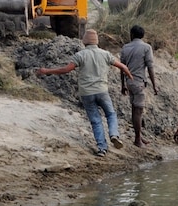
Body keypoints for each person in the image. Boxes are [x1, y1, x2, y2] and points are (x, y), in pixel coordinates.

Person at [36, 29, 133, 157]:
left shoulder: (80, 55)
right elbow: (123, 67)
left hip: (86, 93)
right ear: (96, 41)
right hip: (102, 91)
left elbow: (66, 70)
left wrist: (47, 71)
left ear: (84, 41)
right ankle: (114, 134)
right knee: (110, 114)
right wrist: (130, 78)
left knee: (95, 120)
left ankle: (102, 149)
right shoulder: (105, 54)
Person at [120, 25, 158, 147]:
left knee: (134, 109)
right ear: (142, 35)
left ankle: (139, 137)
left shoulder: (125, 47)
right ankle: (137, 140)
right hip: (139, 83)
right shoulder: (146, 47)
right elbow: (150, 67)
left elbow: (122, 67)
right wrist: (154, 85)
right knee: (138, 111)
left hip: (129, 82)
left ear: (131, 35)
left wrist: (123, 85)